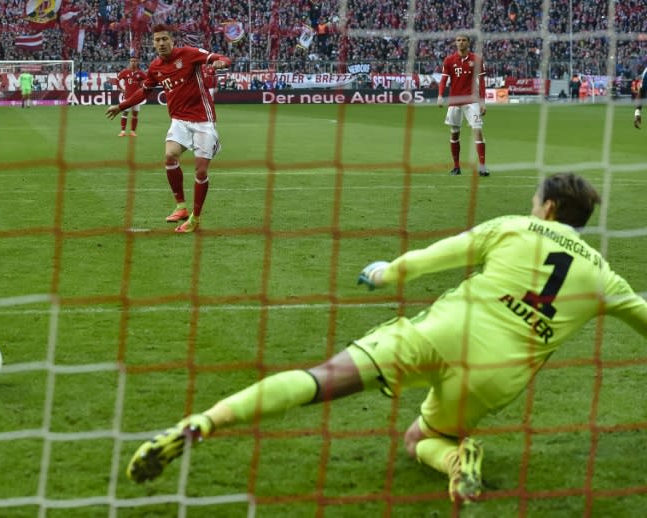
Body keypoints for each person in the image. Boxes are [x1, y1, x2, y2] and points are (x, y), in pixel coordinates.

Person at [125, 172, 647, 503]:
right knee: (422, 440)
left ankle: (201, 424)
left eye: (536, 202)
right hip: (497, 377)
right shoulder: (605, 277)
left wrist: (385, 272)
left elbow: (437, 254)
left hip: (442, 333)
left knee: (319, 380)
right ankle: (457, 459)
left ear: (549, 209)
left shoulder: (516, 227)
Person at [106, 24, 231, 234]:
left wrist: (221, 63)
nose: (161, 43)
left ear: (172, 41)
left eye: (165, 39)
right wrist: (121, 106)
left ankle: (195, 218)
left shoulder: (189, 54)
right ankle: (181, 207)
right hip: (179, 120)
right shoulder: (155, 68)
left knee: (200, 170)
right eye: (157, 40)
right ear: (153, 44)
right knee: (170, 157)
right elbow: (143, 93)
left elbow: (221, 58)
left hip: (203, 120)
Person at [438, 34, 489, 177]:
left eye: (463, 40)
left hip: (472, 101)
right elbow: (443, 80)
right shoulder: (449, 60)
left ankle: (483, 167)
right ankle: (456, 167)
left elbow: (482, 82)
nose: (460, 43)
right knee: (454, 133)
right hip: (455, 101)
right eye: (458, 40)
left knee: (478, 131)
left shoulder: (477, 59)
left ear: (468, 42)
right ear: (455, 43)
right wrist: (440, 95)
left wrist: (482, 102)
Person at [114, 57, 147, 137]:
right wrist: (121, 89)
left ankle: (132, 131)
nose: (133, 62)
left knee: (135, 114)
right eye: (131, 61)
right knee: (125, 113)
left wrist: (143, 86)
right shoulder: (125, 72)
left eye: (135, 61)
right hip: (127, 97)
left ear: (137, 62)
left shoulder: (140, 73)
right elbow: (117, 80)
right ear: (129, 62)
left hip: (137, 98)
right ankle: (123, 131)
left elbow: (148, 80)